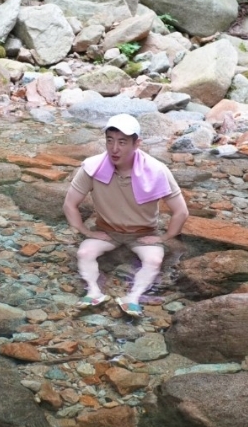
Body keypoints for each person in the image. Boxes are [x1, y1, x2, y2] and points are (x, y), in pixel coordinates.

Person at [62, 114, 189, 318]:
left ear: (136, 143)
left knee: (154, 260)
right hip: (106, 230)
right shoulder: (92, 167)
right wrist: (85, 230)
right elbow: (69, 204)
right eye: (110, 140)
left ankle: (133, 297)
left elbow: (181, 211)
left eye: (122, 142)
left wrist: (164, 238)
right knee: (84, 254)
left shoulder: (157, 170)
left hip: (143, 233)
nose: (114, 148)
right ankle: (93, 291)